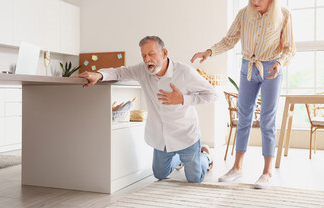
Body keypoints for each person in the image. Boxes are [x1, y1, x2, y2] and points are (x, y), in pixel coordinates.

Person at [191, 0, 296, 189]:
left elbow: (289, 48)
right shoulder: (243, 14)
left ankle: (266, 172)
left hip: (271, 69)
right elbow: (229, 40)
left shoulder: (283, 15)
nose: (255, 1)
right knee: (243, 117)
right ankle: (237, 167)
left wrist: (280, 63)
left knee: (267, 119)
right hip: (248, 68)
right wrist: (209, 52)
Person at [76, 36, 219, 183]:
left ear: (164, 53)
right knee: (160, 174)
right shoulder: (142, 70)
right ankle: (180, 159)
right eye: (144, 55)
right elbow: (119, 72)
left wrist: (183, 99)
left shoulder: (184, 72)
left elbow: (213, 94)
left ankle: (205, 156)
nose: (147, 59)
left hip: (186, 135)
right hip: (162, 138)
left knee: (194, 179)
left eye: (151, 54)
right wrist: (99, 74)